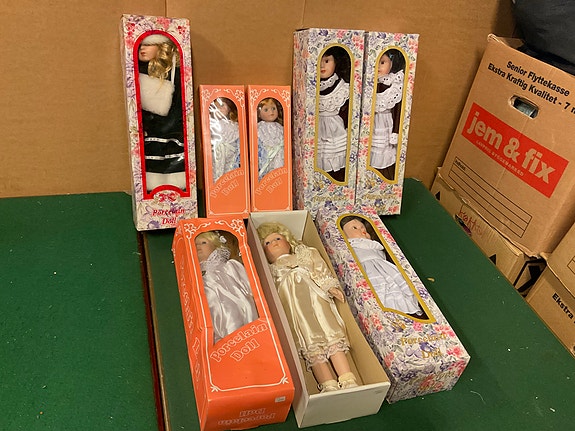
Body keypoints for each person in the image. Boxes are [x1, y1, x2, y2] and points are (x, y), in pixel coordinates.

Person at [257, 222, 358, 392]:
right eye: (267, 243)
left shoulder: (305, 254)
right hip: (295, 313)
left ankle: (347, 378)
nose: (274, 243)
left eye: (278, 238)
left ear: (289, 241)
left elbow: (320, 270)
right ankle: (328, 384)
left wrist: (331, 288)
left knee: (330, 335)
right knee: (310, 344)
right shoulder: (270, 270)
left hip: (316, 302)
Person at [341, 216, 425, 318]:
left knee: (395, 288)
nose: (362, 230)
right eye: (355, 228)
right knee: (380, 290)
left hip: (384, 269)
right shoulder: (353, 244)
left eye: (363, 227)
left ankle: (402, 311)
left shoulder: (374, 245)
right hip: (368, 270)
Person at [138, 33, 186, 192]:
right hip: (148, 134)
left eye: (148, 45)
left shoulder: (174, 73)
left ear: (161, 47)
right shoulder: (137, 72)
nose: (143, 49)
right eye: (141, 45)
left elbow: (179, 106)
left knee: (170, 173)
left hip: (170, 133)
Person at [194, 231, 258, 343]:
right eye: (195, 245)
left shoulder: (230, 266)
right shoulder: (199, 280)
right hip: (218, 326)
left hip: (240, 313)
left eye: (203, 242)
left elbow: (250, 287)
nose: (198, 246)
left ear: (215, 246)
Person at [370, 49, 405, 181]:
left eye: (382, 62)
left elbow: (398, 111)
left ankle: (384, 179)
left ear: (392, 63)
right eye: (376, 62)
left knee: (383, 149)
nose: (378, 67)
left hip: (385, 122)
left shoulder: (394, 86)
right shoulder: (370, 83)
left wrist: (395, 131)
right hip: (371, 123)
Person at [317, 46, 351, 183]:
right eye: (319, 61)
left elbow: (349, 112)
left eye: (327, 61)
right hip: (317, 130)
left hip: (336, 130)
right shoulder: (310, 87)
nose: (322, 66)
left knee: (337, 156)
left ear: (336, 62)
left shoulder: (343, 88)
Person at [208, 97, 240, 182]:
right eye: (215, 107)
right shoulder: (211, 124)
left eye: (222, 106)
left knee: (229, 170)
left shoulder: (234, 125)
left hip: (230, 153)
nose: (218, 109)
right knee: (215, 170)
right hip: (216, 153)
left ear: (229, 108)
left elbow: (238, 141)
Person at [256, 98, 284, 180]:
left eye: (273, 108)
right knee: (266, 172)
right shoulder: (259, 127)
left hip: (279, 154)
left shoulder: (280, 127)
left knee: (279, 172)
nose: (271, 112)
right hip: (266, 154)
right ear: (258, 114)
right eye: (266, 110)